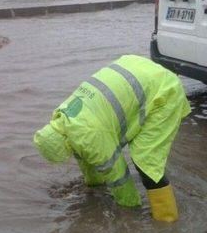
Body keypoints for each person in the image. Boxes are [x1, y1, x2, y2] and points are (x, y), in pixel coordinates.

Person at [33, 55, 191, 222]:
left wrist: (130, 211)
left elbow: (118, 176)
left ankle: (167, 221)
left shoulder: (89, 136)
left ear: (64, 145)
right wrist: (93, 186)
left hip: (163, 90)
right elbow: (85, 158)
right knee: (140, 155)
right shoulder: (62, 116)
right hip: (136, 67)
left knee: (146, 163)